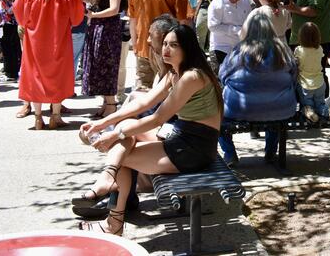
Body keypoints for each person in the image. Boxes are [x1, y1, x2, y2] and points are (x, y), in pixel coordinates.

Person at [76, 24, 223, 236]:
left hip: (194, 149)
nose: (166, 49)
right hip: (180, 136)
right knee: (124, 133)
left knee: (121, 157)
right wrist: (103, 123)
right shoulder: (175, 73)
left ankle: (113, 215)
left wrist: (115, 135)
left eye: (173, 45)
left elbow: (157, 118)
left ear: (187, 49)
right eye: (164, 44)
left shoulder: (192, 76)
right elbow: (143, 103)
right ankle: (109, 185)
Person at [14, 0, 86, 129]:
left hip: (34, 40)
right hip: (59, 39)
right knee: (58, 74)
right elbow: (77, 18)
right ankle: (55, 116)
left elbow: (20, 15)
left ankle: (38, 118)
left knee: (35, 74)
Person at [218, 13, 297, 166]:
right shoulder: (284, 51)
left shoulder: (239, 51)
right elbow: (294, 77)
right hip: (281, 108)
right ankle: (270, 153)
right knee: (274, 109)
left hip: (239, 109)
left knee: (216, 117)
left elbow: (223, 75)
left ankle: (230, 154)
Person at [127, 0, 192, 91]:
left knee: (142, 88)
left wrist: (136, 45)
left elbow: (132, 20)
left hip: (143, 45)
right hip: (168, 49)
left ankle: (141, 112)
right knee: (168, 88)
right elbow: (184, 21)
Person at [82, 0, 127, 120]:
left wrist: (93, 15)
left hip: (107, 29)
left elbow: (114, 9)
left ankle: (111, 104)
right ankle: (106, 103)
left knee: (106, 65)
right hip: (99, 27)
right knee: (98, 65)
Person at [208, 0, 253, 66]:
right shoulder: (217, 3)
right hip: (221, 47)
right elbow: (212, 27)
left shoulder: (246, 0)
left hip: (240, 48)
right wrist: (234, 30)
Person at [295, 22, 329, 121]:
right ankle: (327, 111)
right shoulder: (319, 49)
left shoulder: (299, 50)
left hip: (305, 85)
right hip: (319, 82)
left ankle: (309, 111)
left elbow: (296, 64)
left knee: (307, 104)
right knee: (320, 103)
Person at [66, 0, 92, 81]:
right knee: (74, 57)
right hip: (80, 27)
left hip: (62, 26)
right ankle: (68, 85)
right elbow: (90, 7)